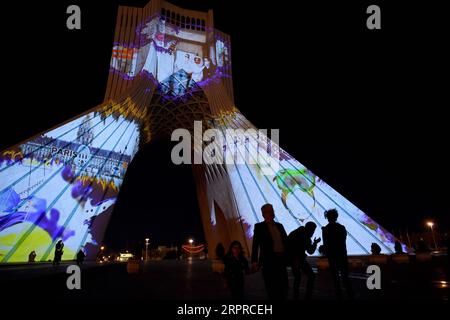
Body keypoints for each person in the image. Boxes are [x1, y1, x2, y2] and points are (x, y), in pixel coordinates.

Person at [251, 203, 289, 300]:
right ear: (263, 214)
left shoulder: (280, 226)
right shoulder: (259, 227)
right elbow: (255, 244)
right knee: (271, 287)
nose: (272, 212)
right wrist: (254, 261)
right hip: (268, 261)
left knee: (284, 286)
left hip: (281, 260)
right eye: (269, 211)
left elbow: (286, 242)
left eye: (272, 210)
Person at [322, 209, 354, 299]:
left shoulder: (325, 229)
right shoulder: (341, 227)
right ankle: (350, 294)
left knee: (335, 278)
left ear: (327, 218)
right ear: (336, 217)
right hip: (342, 254)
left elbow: (326, 244)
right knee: (345, 277)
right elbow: (343, 239)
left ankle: (339, 295)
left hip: (332, 256)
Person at [288, 222, 321, 299]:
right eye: (313, 231)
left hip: (293, 258)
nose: (313, 232)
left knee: (297, 278)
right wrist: (315, 243)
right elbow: (310, 251)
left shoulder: (296, 232)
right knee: (311, 276)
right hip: (299, 258)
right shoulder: (306, 237)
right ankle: (307, 296)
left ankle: (296, 296)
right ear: (311, 229)